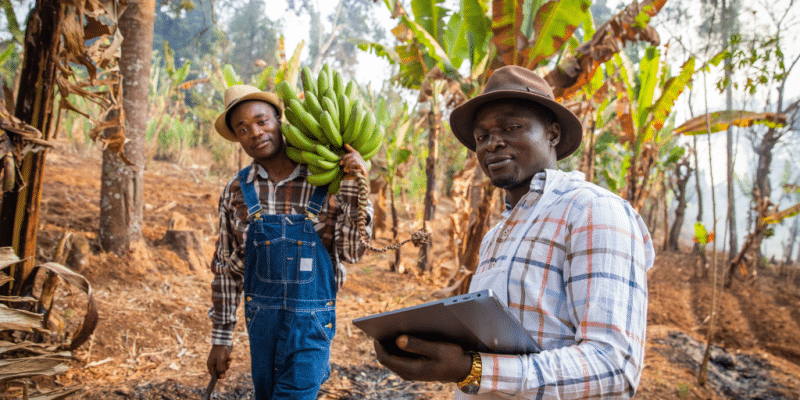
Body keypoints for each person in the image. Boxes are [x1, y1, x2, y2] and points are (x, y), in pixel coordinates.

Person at [373, 66, 655, 399]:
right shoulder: (498, 233)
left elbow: (614, 365)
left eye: (512, 127)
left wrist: (473, 369)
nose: (492, 143)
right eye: (482, 137)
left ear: (552, 134)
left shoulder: (593, 211)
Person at [206, 84, 373, 399]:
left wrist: (354, 185)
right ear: (238, 138)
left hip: (312, 324)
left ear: (280, 121)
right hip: (261, 325)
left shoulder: (326, 179)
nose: (254, 132)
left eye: (261, 121)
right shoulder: (235, 191)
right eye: (243, 129)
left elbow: (352, 253)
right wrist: (221, 338)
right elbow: (226, 269)